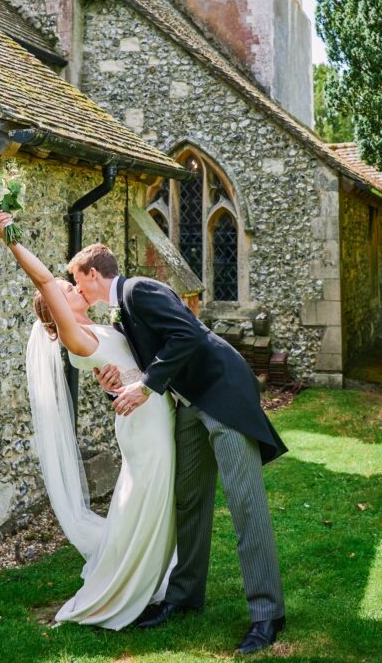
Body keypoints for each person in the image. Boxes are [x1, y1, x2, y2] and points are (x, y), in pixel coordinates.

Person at [70, 242, 287, 656]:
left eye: (77, 281)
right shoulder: (121, 313)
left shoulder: (137, 291)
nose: (76, 289)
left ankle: (267, 614)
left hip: (222, 394)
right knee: (188, 498)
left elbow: (187, 333)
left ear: (92, 274)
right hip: (188, 403)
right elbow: (146, 360)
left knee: (244, 503)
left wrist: (148, 385)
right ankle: (185, 595)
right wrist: (117, 382)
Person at [0, 212, 176, 631]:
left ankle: (157, 578)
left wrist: (115, 384)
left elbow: (128, 362)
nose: (73, 287)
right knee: (145, 502)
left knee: (149, 502)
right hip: (145, 426)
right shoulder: (78, 337)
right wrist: (11, 237)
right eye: (65, 290)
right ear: (56, 310)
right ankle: (130, 585)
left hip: (149, 412)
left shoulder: (100, 323)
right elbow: (43, 282)